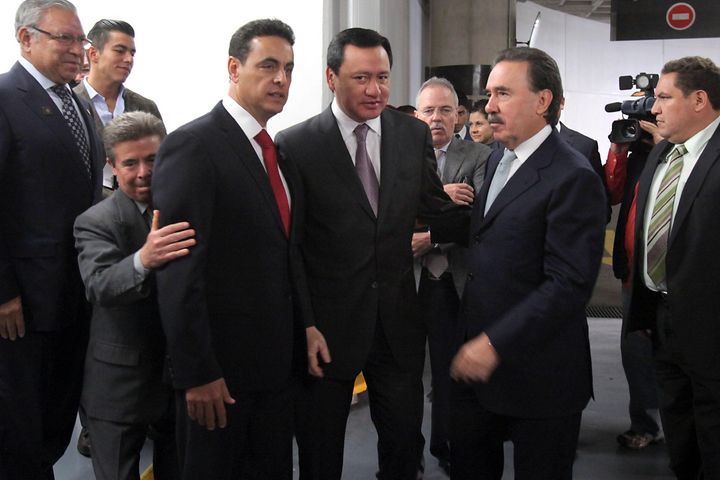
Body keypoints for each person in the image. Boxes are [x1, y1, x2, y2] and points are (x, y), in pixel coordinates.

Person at [275, 27, 467, 480]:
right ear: (331, 77)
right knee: (320, 454)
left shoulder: (411, 134)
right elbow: (293, 248)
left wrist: (501, 214)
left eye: (382, 77)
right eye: (361, 78)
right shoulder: (297, 145)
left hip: (398, 326)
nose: (375, 90)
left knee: (403, 449)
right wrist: (305, 324)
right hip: (327, 333)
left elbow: (433, 207)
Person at [151, 19, 304, 480]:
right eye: (269, 66)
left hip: (273, 372)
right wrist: (197, 373)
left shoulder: (274, 152)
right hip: (217, 377)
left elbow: (281, 255)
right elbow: (179, 273)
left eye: (289, 68)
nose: (281, 79)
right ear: (234, 68)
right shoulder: (193, 145)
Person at [449, 47, 606, 480]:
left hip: (540, 378)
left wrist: (493, 343)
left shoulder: (572, 176)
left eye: (503, 93)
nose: (489, 107)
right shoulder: (498, 157)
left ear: (542, 101)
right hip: (477, 372)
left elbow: (568, 284)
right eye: (489, 94)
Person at [0, 1, 103, 478]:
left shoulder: (76, 102)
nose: (78, 50)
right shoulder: (5, 99)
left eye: (81, 40)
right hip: (22, 305)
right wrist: (3, 292)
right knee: (20, 427)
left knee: (54, 420)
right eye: (65, 38)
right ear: (26, 38)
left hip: (73, 294)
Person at [74, 111, 187, 480]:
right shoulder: (95, 221)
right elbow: (99, 285)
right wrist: (144, 259)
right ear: (112, 166)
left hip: (178, 382)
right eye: (130, 163)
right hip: (118, 388)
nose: (144, 172)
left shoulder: (186, 211)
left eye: (152, 159)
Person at [627, 56, 720, 479]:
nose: (654, 107)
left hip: (711, 327)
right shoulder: (662, 153)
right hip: (662, 321)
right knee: (680, 438)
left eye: (664, 97)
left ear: (699, 100)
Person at [411, 76, 491, 475]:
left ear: (458, 115)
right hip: (408, 280)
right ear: (417, 114)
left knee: (447, 372)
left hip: (450, 281)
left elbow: (476, 218)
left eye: (445, 110)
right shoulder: (400, 156)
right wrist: (443, 194)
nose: (436, 118)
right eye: (428, 110)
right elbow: (386, 210)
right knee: (403, 374)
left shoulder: (479, 155)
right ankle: (407, 451)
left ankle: (444, 445)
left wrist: (429, 236)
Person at [604, 121, 664, 451]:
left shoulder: (684, 152)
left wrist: (662, 144)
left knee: (677, 352)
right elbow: (611, 192)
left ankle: (684, 426)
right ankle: (645, 424)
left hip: (675, 275)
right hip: (634, 272)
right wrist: (618, 149)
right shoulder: (636, 156)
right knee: (636, 352)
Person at [75, 19, 162, 200]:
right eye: (120, 51)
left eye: (132, 53)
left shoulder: (145, 107)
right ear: (93, 54)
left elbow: (163, 164)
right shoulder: (71, 105)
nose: (129, 59)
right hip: (87, 208)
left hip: (143, 207)